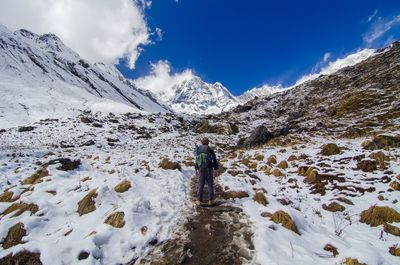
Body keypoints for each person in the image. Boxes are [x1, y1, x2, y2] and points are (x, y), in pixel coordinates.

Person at [194, 137, 218, 206]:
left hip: (201, 169)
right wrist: (216, 168)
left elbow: (196, 157)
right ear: (208, 143)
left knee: (200, 184)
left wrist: (197, 167)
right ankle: (211, 200)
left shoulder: (198, 149)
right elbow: (214, 159)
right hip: (209, 169)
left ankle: (199, 200)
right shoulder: (210, 150)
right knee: (210, 185)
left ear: (202, 142)